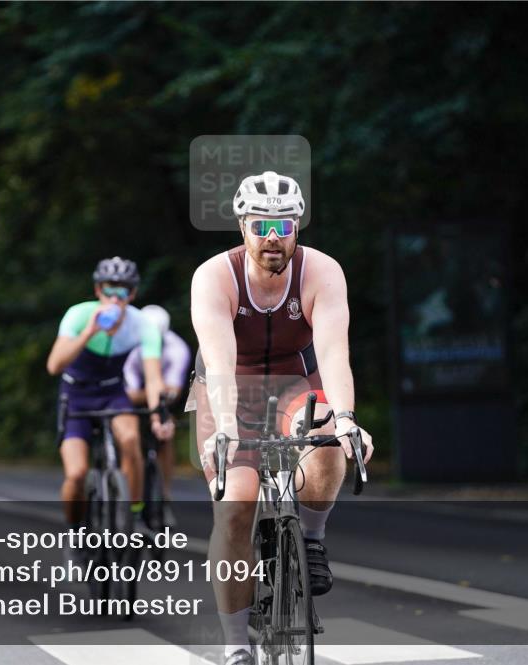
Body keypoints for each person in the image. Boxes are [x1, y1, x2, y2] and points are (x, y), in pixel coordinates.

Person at [190, 171, 374, 665]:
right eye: (262, 224)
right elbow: (221, 363)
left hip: (295, 381)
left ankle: (309, 540)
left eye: (284, 225)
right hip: (229, 389)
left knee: (330, 439)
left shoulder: (322, 272)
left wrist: (348, 418)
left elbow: (334, 353)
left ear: (298, 227)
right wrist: (226, 428)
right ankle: (235, 646)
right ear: (243, 226)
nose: (273, 236)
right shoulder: (214, 277)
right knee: (236, 504)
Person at [46, 257, 174, 538]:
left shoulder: (142, 324)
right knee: (77, 474)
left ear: (133, 294)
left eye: (123, 292)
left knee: (130, 440)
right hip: (76, 393)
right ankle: (74, 532)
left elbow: (153, 380)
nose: (115, 299)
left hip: (112, 392)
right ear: (97, 291)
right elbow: (54, 365)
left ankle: (134, 513)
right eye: (109, 291)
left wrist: (158, 414)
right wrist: (89, 332)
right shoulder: (79, 315)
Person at [123, 304, 192, 522]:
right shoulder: (130, 346)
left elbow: (175, 391)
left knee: (166, 431)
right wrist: (155, 391)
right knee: (128, 437)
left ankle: (164, 494)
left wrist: (155, 396)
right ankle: (127, 495)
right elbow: (129, 394)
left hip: (159, 399)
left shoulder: (177, 348)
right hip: (132, 402)